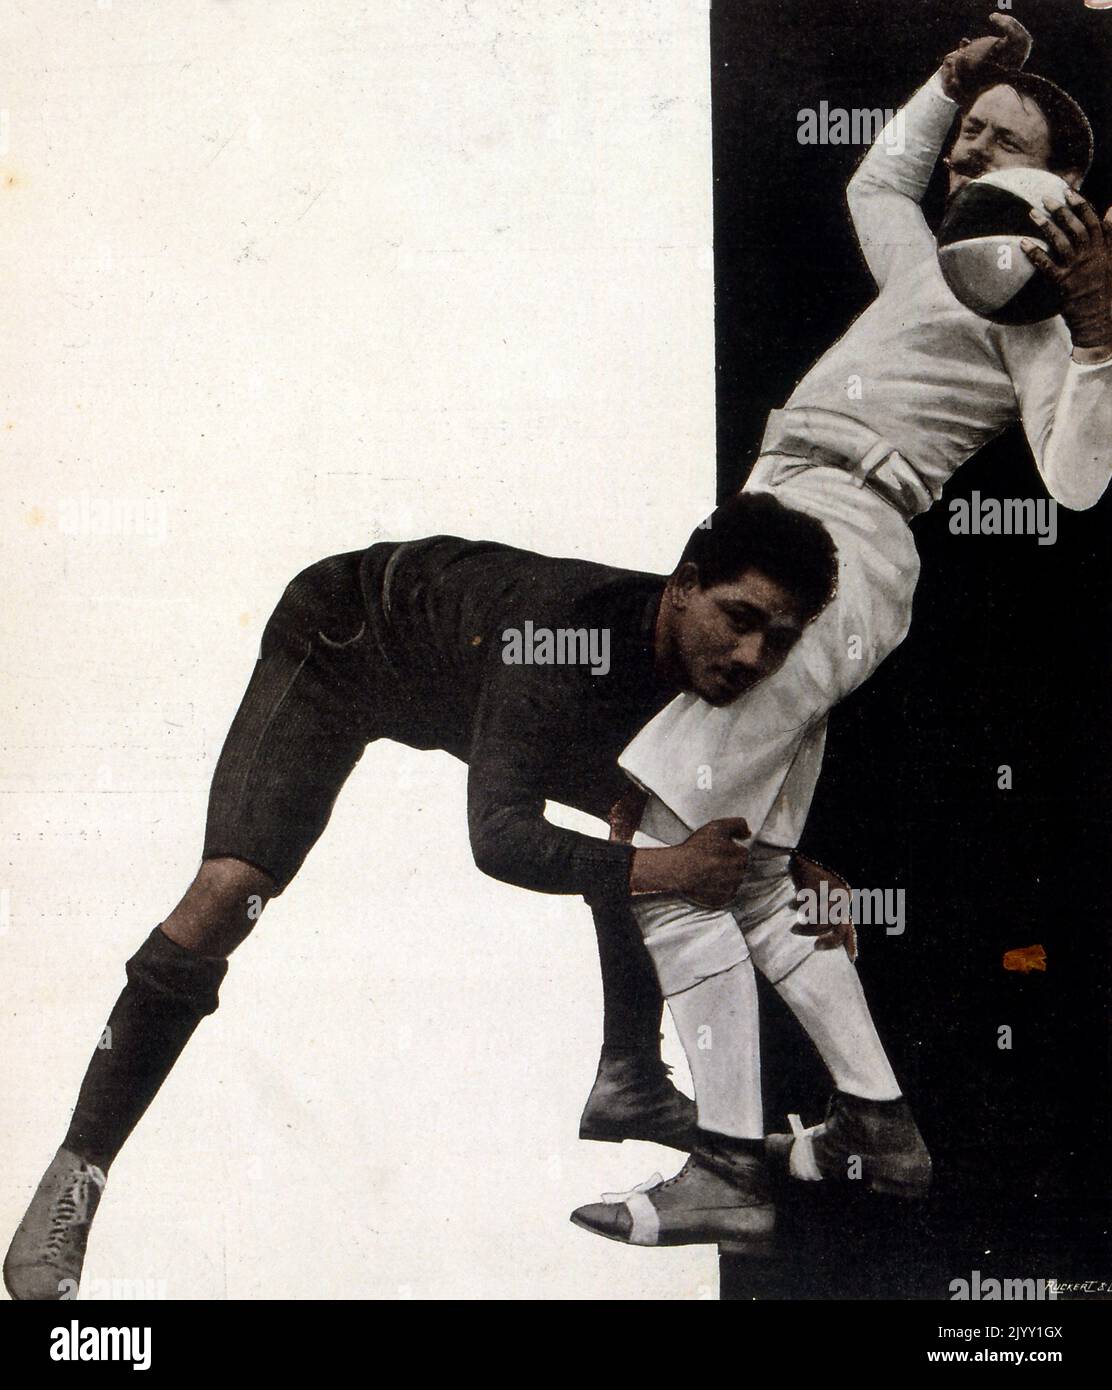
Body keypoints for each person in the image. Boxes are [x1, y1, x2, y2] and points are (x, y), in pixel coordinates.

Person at [3, 492, 840, 1300]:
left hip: (473, 686)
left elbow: (726, 815)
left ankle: (629, 1080)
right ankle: (80, 1164)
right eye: (739, 619)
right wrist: (678, 870)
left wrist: (795, 865)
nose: (751, 660)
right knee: (230, 891)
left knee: (653, 823)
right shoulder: (556, 635)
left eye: (780, 639)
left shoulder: (714, 661)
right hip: (348, 643)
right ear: (684, 585)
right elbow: (499, 838)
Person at [570, 15, 1112, 1252]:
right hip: (793, 511)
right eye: (966, 143)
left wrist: (1091, 323)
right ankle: (881, 1128)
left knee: (669, 839)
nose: (966, 158)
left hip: (843, 541)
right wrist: (943, 85)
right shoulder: (930, 263)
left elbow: (1077, 480)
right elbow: (875, 180)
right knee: (753, 873)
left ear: (1060, 187)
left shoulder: (1029, 310)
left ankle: (722, 1164)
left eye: (1000, 144)